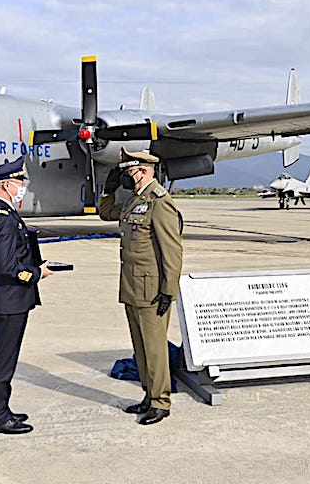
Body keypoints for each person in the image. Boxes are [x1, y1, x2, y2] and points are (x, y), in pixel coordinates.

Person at [99, 149, 183, 426]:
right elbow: (106, 213)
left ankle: (161, 402)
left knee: (155, 347)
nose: (126, 177)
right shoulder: (136, 199)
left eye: (129, 172)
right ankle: (149, 395)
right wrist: (107, 191)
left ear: (142, 171)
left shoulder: (160, 202)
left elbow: (172, 250)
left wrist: (168, 290)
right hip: (133, 285)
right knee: (141, 347)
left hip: (151, 289)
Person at [0, 156, 52, 434]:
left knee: (5, 359)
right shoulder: (2, 218)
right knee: (3, 361)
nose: (23, 186)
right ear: (7, 184)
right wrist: (37, 274)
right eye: (20, 181)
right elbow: (7, 266)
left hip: (6, 298)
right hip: (9, 299)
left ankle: (2, 409)